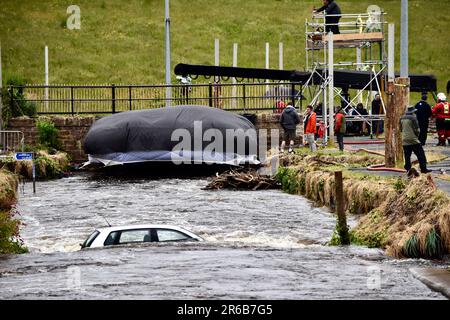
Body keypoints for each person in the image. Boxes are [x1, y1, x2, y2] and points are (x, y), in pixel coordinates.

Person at [400, 106, 432, 174]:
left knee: (407, 156)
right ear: (413, 112)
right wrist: (417, 136)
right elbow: (417, 130)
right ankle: (423, 169)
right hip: (413, 140)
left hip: (405, 140)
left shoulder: (401, 118)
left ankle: (408, 169)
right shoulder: (413, 118)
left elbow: (400, 129)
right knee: (421, 154)